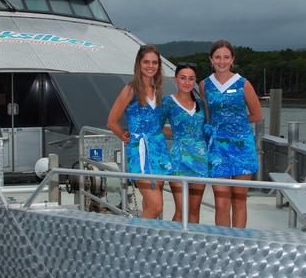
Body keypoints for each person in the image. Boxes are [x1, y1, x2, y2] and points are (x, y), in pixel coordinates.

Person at [200, 40, 262, 228]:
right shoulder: (204, 85)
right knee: (221, 201)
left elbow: (257, 114)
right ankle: (223, 244)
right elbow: (207, 117)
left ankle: (239, 244)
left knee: (239, 199)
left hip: (242, 146)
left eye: (226, 57)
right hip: (217, 148)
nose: (222, 61)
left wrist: (235, 125)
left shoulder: (244, 84)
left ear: (232, 59)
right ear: (211, 60)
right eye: (217, 57)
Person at [107, 44, 171, 219]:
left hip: (158, 150)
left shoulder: (157, 90)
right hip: (140, 152)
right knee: (157, 206)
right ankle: (131, 240)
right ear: (139, 64)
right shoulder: (130, 89)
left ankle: (147, 243)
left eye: (155, 63)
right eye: (146, 62)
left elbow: (155, 124)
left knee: (149, 204)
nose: (151, 66)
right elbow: (112, 121)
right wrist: (124, 136)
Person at [161, 63, 207, 223]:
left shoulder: (201, 104)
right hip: (179, 160)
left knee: (194, 211)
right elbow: (156, 128)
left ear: (195, 81)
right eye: (183, 78)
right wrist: (180, 135)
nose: (187, 82)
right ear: (176, 80)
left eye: (191, 79)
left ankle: (193, 246)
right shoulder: (168, 102)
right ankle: (172, 246)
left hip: (200, 160)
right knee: (181, 211)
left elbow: (207, 128)